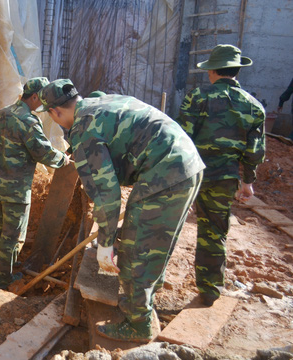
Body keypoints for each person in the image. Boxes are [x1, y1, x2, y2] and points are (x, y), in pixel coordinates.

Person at [37, 79, 205, 343]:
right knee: (158, 239)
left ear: (55, 112)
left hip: (163, 172)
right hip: (187, 162)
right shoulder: (100, 101)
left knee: (133, 248)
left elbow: (108, 194)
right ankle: (149, 291)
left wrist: (105, 244)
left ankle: (138, 323)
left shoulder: (84, 133)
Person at [176, 44, 266, 306]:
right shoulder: (254, 107)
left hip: (190, 174)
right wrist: (247, 182)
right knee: (214, 233)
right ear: (237, 71)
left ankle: (149, 287)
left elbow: (182, 137)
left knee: (167, 228)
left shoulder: (197, 96)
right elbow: (254, 152)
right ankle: (210, 290)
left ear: (212, 71)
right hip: (225, 179)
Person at [0, 77, 71, 289]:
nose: (44, 104)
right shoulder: (28, 121)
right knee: (14, 235)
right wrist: (64, 159)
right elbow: (42, 151)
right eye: (42, 99)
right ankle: (2, 278)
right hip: (15, 187)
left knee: (3, 225)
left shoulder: (3, 113)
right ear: (33, 97)